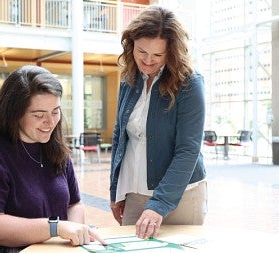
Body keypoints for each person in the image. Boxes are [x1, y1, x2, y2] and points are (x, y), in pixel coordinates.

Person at [0, 65, 106, 252]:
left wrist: (76, 236)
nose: (50, 122)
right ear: (14, 114)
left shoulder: (55, 149)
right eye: (38, 115)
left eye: (55, 111)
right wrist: (56, 228)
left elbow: (74, 204)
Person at [109, 5, 208, 240]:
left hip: (182, 195)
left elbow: (188, 150)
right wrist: (115, 190)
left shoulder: (190, 84)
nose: (147, 60)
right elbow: (119, 135)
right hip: (135, 193)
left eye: (158, 55)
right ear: (130, 43)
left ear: (171, 52)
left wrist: (159, 204)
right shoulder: (128, 81)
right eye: (141, 51)